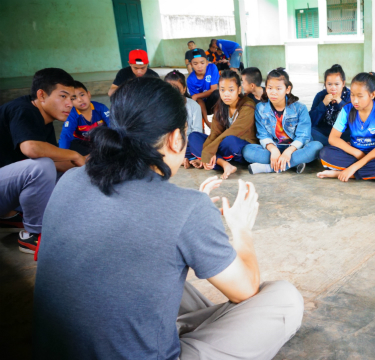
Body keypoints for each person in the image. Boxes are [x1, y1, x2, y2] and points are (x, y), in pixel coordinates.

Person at [32, 77, 304, 358]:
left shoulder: (70, 180)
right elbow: (244, 290)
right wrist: (241, 229)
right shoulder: (187, 209)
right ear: (176, 139)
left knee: (147, 266)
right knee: (284, 298)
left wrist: (190, 212)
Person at [0, 68, 85, 254]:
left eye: (71, 98)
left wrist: (86, 165)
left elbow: (55, 162)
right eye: (63, 96)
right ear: (41, 95)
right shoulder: (22, 110)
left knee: (65, 174)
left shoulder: (44, 119)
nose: (69, 104)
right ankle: (33, 234)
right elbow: (31, 149)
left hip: (5, 189)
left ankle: (8, 216)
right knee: (42, 167)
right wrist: (75, 155)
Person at [317, 72, 375, 184]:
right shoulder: (347, 109)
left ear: (372, 95)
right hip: (355, 153)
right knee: (325, 153)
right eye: (352, 95)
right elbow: (333, 138)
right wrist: (358, 154)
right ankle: (372, 174)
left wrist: (353, 168)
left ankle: (342, 174)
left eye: (360, 96)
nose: (355, 100)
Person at [242, 68, 322, 174]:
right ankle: (293, 163)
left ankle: (269, 168)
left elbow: (303, 136)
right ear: (266, 88)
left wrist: (288, 151)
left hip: (295, 149)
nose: (273, 92)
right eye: (270, 88)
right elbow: (263, 135)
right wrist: (274, 150)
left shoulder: (300, 108)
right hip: (273, 149)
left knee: (317, 147)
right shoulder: (260, 108)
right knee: (247, 151)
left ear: (287, 89)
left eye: (278, 88)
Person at [186, 70, 259, 179]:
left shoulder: (248, 105)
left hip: (239, 147)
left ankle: (205, 158)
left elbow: (234, 131)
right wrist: (209, 150)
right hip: (222, 146)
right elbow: (214, 133)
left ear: (239, 90)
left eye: (231, 90)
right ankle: (224, 164)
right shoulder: (221, 106)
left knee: (229, 140)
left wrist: (207, 151)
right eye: (222, 90)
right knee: (194, 136)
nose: (226, 94)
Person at [59, 81, 110, 155]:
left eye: (82, 95)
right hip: (82, 142)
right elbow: (66, 136)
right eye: (74, 98)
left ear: (88, 94)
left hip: (101, 141)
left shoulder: (101, 108)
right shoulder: (72, 115)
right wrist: (63, 155)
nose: (80, 100)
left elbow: (113, 124)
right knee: (71, 148)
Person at [309, 64, 352, 146]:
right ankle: (338, 145)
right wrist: (323, 104)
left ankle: (330, 144)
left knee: (356, 133)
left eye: (337, 84)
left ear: (343, 83)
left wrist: (341, 103)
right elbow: (311, 121)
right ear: (325, 84)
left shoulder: (350, 96)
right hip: (324, 133)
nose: (333, 88)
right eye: (329, 84)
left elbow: (354, 120)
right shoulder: (320, 96)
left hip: (342, 133)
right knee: (308, 130)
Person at [186, 48, 220, 127]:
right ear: (191, 65)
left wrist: (197, 95)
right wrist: (207, 121)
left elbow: (214, 89)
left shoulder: (212, 68)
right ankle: (201, 128)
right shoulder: (190, 80)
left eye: (202, 63)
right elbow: (199, 101)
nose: (199, 66)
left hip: (214, 103)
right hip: (202, 107)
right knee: (194, 102)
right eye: (195, 64)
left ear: (207, 62)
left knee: (217, 94)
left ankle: (220, 120)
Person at [164, 70, 203, 137]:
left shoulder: (194, 106)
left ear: (184, 89)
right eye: (168, 89)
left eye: (176, 89)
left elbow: (197, 131)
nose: (173, 92)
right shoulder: (161, 106)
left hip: (189, 141)